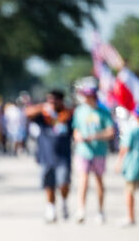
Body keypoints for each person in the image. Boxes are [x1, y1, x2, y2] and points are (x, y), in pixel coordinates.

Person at [27, 89, 73, 223]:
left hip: (63, 157)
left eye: (54, 100)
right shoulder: (43, 115)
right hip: (46, 156)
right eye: (49, 100)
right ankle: (51, 208)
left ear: (61, 101)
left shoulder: (67, 115)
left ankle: (64, 202)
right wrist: (43, 107)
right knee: (49, 185)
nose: (52, 102)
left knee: (63, 183)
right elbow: (28, 113)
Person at [72, 85, 115, 224]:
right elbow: (76, 129)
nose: (85, 98)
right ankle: (81, 210)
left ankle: (101, 211)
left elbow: (110, 132)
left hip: (99, 151)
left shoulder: (103, 111)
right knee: (83, 180)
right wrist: (78, 137)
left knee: (99, 181)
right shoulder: (79, 111)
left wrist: (95, 136)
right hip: (83, 151)